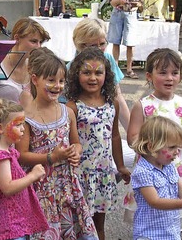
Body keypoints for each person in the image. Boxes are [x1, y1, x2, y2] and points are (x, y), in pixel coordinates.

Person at [15, 47, 97, 239]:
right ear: (35, 80)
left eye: (61, 81)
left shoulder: (67, 112)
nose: (57, 86)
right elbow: (22, 156)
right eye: (51, 80)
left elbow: (76, 143)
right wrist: (52, 157)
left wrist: (75, 152)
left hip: (68, 185)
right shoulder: (25, 118)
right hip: (42, 189)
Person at [127, 48, 182, 240]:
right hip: (153, 170)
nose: (169, 78)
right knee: (156, 218)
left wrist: (180, 140)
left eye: (175, 73)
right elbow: (133, 138)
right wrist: (155, 145)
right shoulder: (143, 105)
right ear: (149, 76)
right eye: (162, 73)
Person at [64, 48, 130, 240]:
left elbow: (115, 136)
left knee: (98, 227)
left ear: (107, 76)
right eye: (87, 72)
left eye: (98, 72)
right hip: (80, 175)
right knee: (79, 226)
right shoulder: (72, 106)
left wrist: (120, 166)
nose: (92, 78)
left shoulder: (112, 104)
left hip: (103, 174)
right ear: (76, 75)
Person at [0, 99, 49, 240]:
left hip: (15, 221)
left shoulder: (7, 151)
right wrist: (32, 176)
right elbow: (7, 187)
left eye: (23, 124)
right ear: (0, 128)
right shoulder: (0, 156)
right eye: (18, 125)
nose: (23, 129)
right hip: (9, 225)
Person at [71, 17, 130, 130]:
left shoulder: (107, 59)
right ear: (81, 45)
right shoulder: (71, 68)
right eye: (93, 46)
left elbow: (117, 95)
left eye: (102, 44)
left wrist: (133, 132)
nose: (99, 49)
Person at [0, 18, 50, 104]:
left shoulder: (35, 66)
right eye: (33, 41)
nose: (38, 47)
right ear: (17, 38)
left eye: (41, 42)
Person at [108, 0, 142, 79]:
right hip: (117, 13)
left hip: (131, 14)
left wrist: (138, 4)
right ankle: (115, 68)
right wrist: (119, 1)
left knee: (130, 43)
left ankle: (129, 69)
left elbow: (141, 4)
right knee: (115, 41)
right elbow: (112, 1)